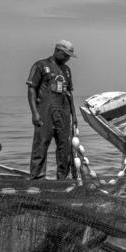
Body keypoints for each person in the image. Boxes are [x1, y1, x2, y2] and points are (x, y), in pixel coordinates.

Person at [26, 40, 78, 180]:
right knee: (41, 144)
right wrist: (35, 113)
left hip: (64, 111)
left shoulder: (66, 70)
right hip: (45, 111)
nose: (67, 58)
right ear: (57, 51)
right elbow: (31, 89)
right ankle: (37, 178)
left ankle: (62, 178)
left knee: (64, 146)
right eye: (66, 55)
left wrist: (74, 115)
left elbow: (69, 92)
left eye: (69, 56)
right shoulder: (41, 65)